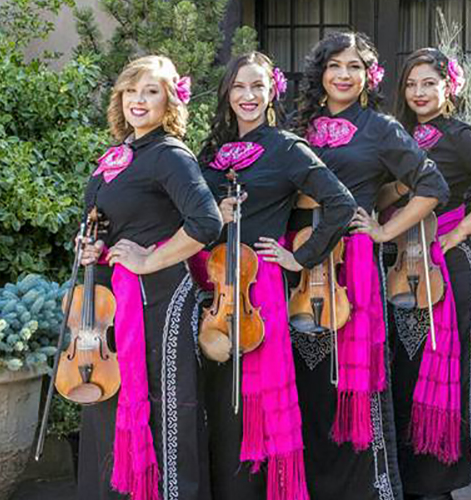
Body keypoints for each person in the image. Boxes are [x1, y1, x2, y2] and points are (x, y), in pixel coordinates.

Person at [289, 32, 449, 500]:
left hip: (353, 268)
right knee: (310, 386)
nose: (343, 74)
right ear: (320, 72)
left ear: (368, 76)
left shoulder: (380, 128)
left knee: (354, 384)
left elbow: (432, 184)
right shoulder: (300, 129)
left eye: (354, 66)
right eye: (334, 65)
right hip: (298, 264)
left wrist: (382, 230)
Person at [193, 51, 356, 500]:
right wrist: (213, 216)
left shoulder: (286, 147)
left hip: (257, 287)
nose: (248, 95)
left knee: (253, 399)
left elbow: (340, 205)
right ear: (227, 92)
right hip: (211, 287)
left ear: (272, 92)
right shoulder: (211, 154)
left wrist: (299, 259)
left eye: (257, 86)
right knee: (217, 398)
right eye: (239, 86)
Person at [77, 54, 222, 500]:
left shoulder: (170, 155)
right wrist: (93, 249)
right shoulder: (119, 156)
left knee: (167, 410)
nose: (138, 100)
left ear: (169, 101)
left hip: (159, 300)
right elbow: (114, 221)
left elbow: (207, 222)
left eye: (151, 91)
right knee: (114, 404)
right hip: (117, 301)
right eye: (131, 90)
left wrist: (148, 259)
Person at [389, 47, 471, 500]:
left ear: (449, 86)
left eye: (429, 82)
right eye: (411, 84)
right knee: (404, 371)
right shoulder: (396, 134)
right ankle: (408, 478)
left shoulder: (459, 136)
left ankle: (441, 484)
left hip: (446, 266)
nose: (419, 92)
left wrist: (459, 231)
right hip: (398, 265)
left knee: (445, 368)